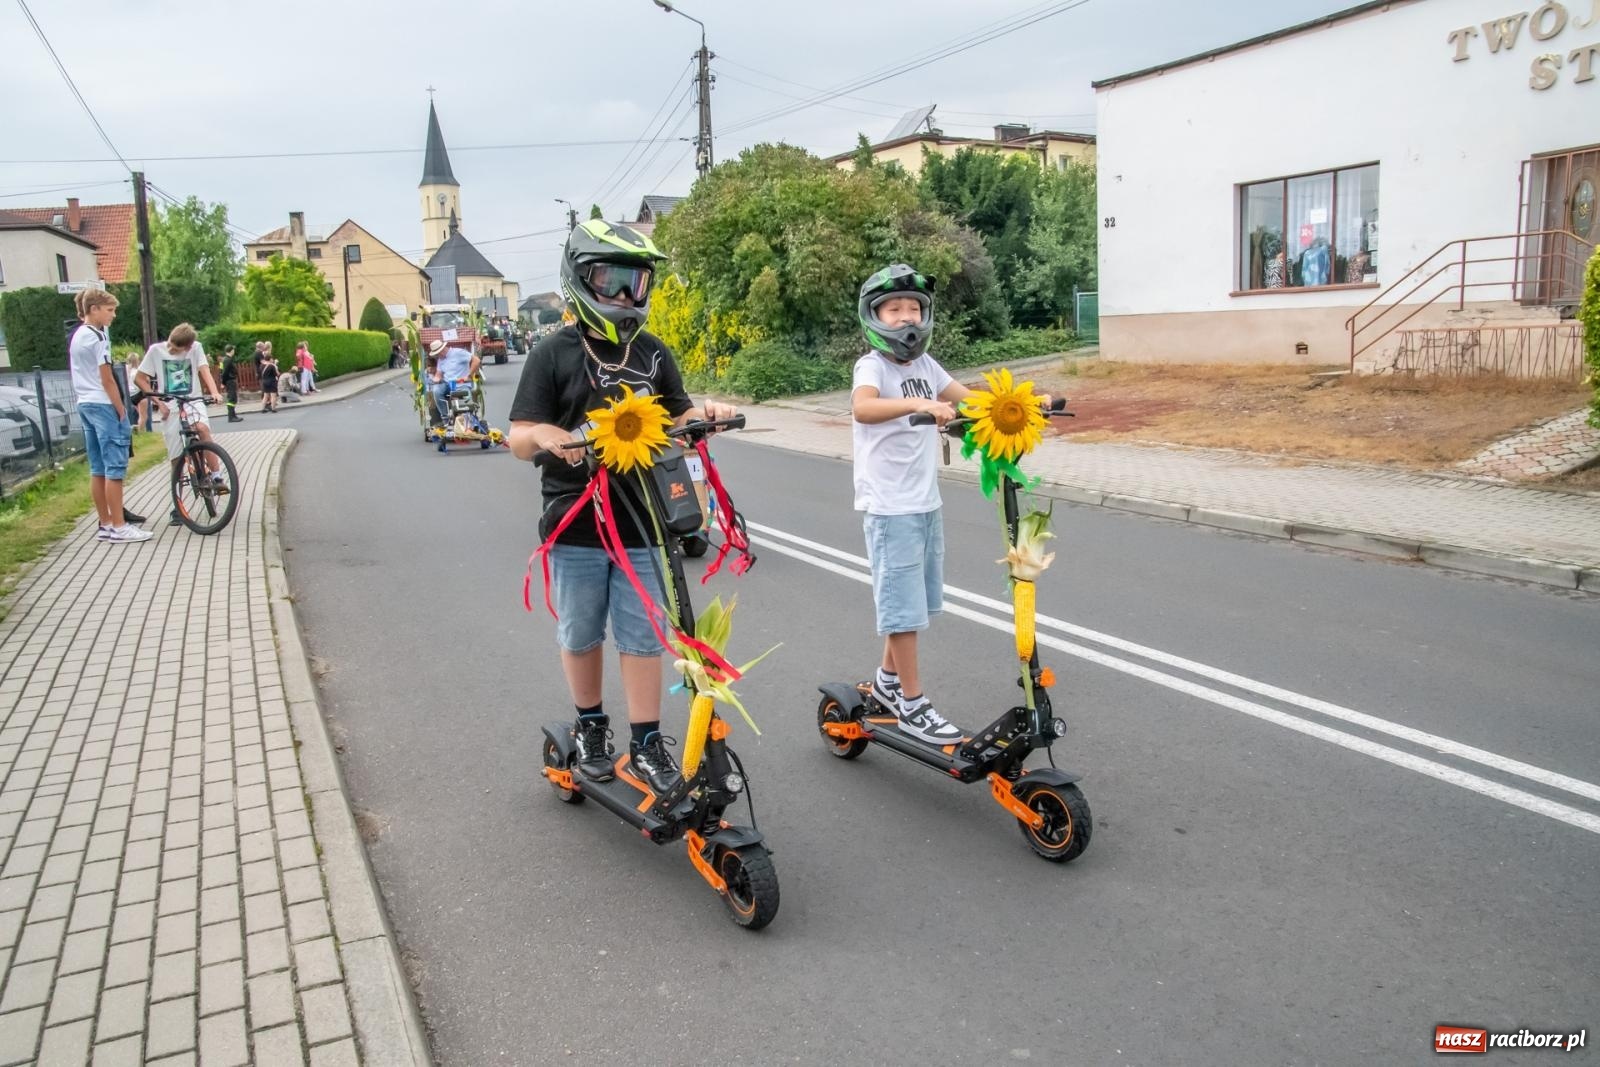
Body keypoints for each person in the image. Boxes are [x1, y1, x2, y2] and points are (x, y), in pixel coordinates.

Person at [508, 219, 737, 794]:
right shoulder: (553, 354)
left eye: (636, 284)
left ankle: (646, 743)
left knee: (641, 636)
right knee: (582, 632)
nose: (625, 297)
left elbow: (679, 414)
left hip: (644, 521)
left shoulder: (653, 353)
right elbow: (517, 436)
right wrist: (543, 438)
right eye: (611, 281)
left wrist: (705, 416)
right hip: (574, 522)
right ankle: (590, 727)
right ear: (581, 280)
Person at [850, 264, 976, 744]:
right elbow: (863, 407)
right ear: (876, 316)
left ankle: (885, 684)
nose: (907, 318)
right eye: (895, 308)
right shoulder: (874, 367)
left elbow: (968, 401)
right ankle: (912, 704)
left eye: (914, 309)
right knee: (902, 611)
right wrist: (916, 406)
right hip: (889, 507)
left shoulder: (926, 367)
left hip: (924, 502)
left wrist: (1021, 404)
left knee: (915, 604)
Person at [69, 289, 151, 543]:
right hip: (103, 404)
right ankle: (119, 525)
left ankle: (105, 523)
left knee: (98, 468)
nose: (113, 315)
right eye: (110, 310)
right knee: (115, 467)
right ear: (94, 309)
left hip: (85, 403)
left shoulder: (77, 335)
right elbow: (107, 378)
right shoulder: (98, 336)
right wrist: (120, 408)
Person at [136, 323, 226, 525]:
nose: (173, 351)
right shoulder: (155, 351)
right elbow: (140, 379)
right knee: (176, 460)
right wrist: (158, 402)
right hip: (171, 407)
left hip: (193, 401)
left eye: (178, 349)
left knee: (202, 428)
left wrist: (214, 392)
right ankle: (177, 506)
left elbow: (204, 370)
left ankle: (217, 476)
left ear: (188, 346)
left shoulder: (196, 348)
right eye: (172, 346)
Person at [428, 339, 480, 448]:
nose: (437, 356)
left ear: (441, 351)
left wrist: (469, 375)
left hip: (461, 383)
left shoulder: (458, 353)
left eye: (437, 354)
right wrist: (435, 379)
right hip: (447, 384)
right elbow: (439, 374)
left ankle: (467, 423)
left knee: (465, 399)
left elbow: (476, 360)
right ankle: (445, 418)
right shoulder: (441, 360)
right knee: (436, 390)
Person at [219, 344, 243, 422]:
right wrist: (223, 382)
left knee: (233, 398)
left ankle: (233, 415)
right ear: (232, 350)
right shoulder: (227, 360)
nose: (234, 351)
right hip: (230, 381)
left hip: (229, 381)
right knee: (232, 398)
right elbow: (224, 372)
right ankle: (231, 417)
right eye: (233, 350)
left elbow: (221, 371)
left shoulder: (225, 359)